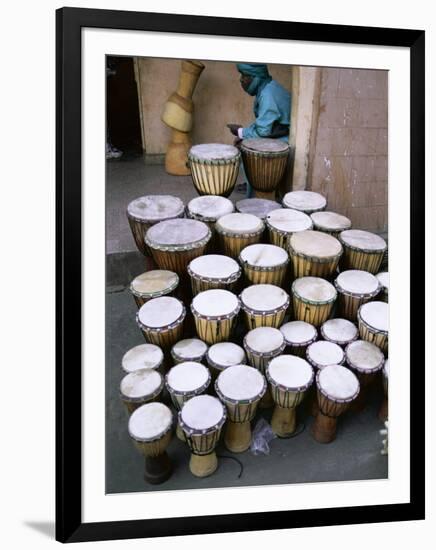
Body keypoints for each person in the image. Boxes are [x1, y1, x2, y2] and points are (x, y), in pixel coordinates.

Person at [227, 63, 291, 196]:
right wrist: (243, 133)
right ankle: (252, 184)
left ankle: (255, 190)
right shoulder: (268, 88)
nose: (241, 80)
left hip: (283, 140)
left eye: (245, 76)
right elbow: (263, 124)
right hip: (278, 134)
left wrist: (240, 132)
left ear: (256, 78)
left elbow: (263, 131)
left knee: (245, 149)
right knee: (243, 142)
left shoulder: (267, 94)